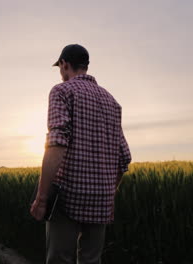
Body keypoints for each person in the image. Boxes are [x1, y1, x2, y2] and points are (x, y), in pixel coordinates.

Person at [30, 44, 132, 264]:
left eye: (60, 68)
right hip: (101, 201)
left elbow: (57, 144)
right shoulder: (112, 102)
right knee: (91, 261)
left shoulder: (62, 91)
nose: (61, 74)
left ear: (65, 65)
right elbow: (123, 158)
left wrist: (41, 198)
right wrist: (108, 192)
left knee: (60, 260)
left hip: (68, 197)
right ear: (86, 66)